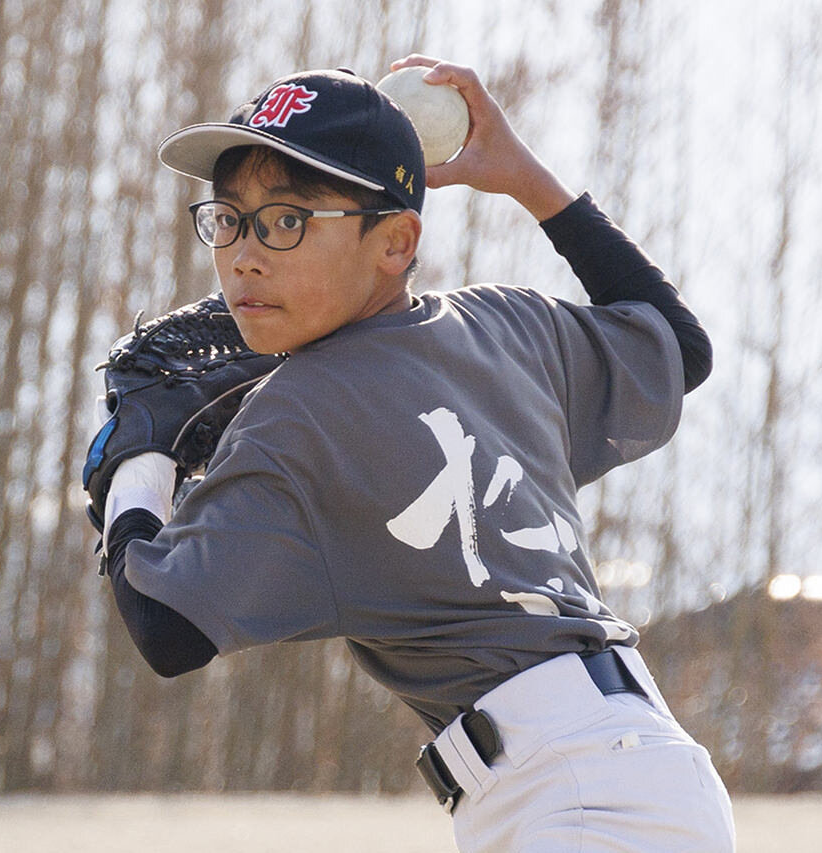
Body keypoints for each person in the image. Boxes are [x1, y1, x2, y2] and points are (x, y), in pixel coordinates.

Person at [95, 54, 735, 852]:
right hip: (648, 774)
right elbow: (676, 343)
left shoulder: (295, 413)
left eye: (286, 220)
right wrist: (525, 177)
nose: (244, 255)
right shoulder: (505, 324)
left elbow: (166, 627)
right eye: (228, 217)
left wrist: (134, 464)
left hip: (570, 800)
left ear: (396, 241)